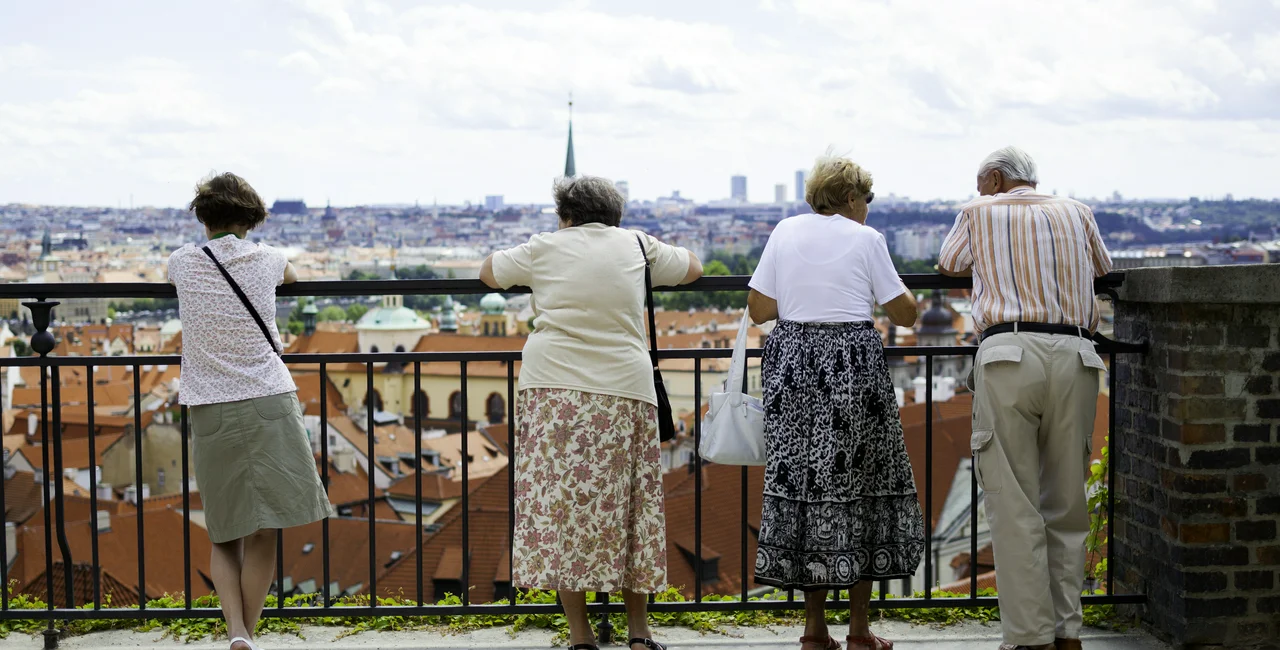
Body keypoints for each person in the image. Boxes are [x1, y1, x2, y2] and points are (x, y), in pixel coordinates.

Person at [480, 175, 703, 650]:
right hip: (624, 390)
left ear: (565, 215)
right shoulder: (638, 245)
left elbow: (488, 273)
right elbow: (695, 269)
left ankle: (581, 637)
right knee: (633, 510)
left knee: (564, 514)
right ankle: (639, 634)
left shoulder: (545, 246)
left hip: (555, 391)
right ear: (616, 216)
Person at [938, 146, 1113, 650]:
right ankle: (1069, 633)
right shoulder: (1078, 211)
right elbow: (1102, 268)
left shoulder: (977, 213)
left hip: (1011, 354)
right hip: (1078, 352)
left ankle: (1029, 636)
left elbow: (949, 263)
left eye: (979, 182)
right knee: (1066, 502)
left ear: (995, 178)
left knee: (1013, 503)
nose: (976, 191)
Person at [747, 154, 923, 650]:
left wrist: (805, 299)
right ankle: (860, 630)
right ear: (851, 198)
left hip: (793, 363)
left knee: (804, 486)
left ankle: (813, 630)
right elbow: (906, 313)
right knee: (861, 485)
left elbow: (759, 308)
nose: (867, 208)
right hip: (850, 364)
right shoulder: (867, 239)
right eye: (866, 199)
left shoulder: (784, 232)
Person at [169, 173, 334, 650]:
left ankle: (235, 631)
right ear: (250, 219)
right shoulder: (270, 261)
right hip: (268, 400)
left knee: (225, 532)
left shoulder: (182, 262)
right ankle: (248, 635)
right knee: (267, 529)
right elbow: (294, 278)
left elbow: (173, 276)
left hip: (210, 406)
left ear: (203, 217)